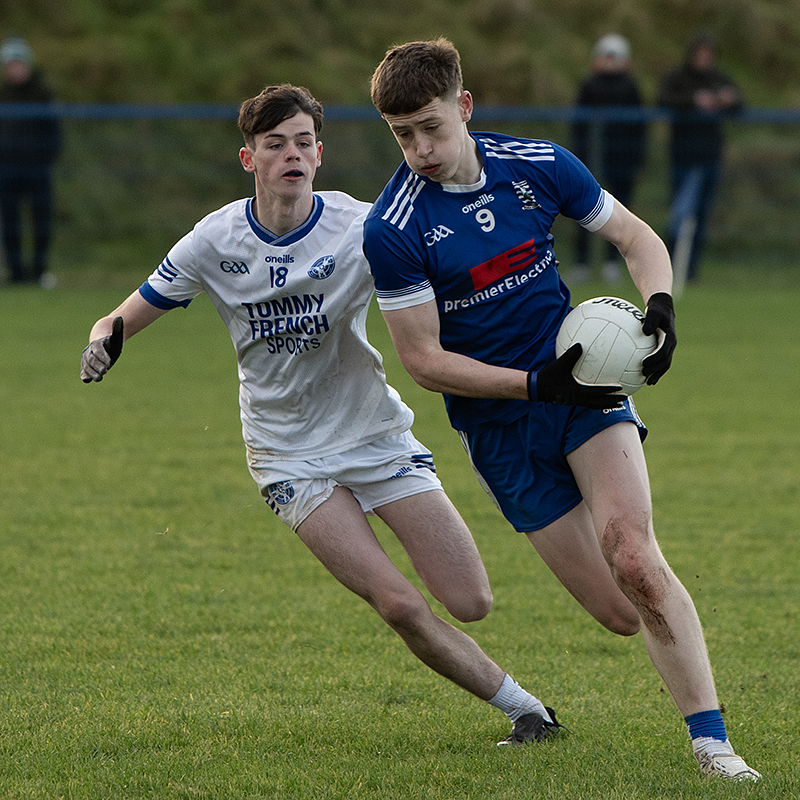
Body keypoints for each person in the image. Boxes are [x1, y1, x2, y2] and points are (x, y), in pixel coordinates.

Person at [80, 83, 569, 747]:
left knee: (471, 600)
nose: (292, 154)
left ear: (320, 154)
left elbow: (449, 272)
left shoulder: (365, 228)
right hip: (287, 455)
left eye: (303, 142)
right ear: (249, 159)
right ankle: (527, 711)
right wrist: (103, 340)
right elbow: (120, 316)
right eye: (275, 144)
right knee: (398, 603)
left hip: (375, 435)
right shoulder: (213, 240)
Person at [363, 38, 759, 780]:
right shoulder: (394, 228)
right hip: (499, 423)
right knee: (620, 613)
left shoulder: (538, 166)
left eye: (431, 127)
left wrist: (661, 305)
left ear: (464, 106)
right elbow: (423, 361)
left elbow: (635, 236)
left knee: (634, 558)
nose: (420, 150)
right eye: (402, 135)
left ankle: (714, 747)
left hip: (585, 390)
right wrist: (534, 385)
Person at [657, 31, 743, 284]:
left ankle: (691, 270)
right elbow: (663, 99)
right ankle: (668, 265)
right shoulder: (678, 78)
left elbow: (740, 103)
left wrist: (728, 100)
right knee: (679, 214)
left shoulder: (719, 78)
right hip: (683, 156)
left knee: (702, 216)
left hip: (710, 157)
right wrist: (693, 101)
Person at [571, 33, 646, 284]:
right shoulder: (589, 85)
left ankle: (613, 262)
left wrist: (637, 159)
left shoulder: (630, 87)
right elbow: (578, 125)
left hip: (621, 159)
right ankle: (582, 262)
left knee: (620, 212)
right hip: (590, 161)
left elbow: (639, 127)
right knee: (582, 209)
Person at [0, 35, 61, 287]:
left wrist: (45, 160)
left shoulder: (42, 94)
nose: (14, 69)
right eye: (10, 64)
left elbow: (54, 133)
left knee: (41, 220)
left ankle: (39, 271)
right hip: (7, 170)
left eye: (18, 63)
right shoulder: (3, 95)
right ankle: (15, 273)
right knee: (10, 222)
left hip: (37, 170)